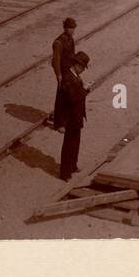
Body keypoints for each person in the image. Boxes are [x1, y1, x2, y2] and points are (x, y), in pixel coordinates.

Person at [58, 51, 90, 181]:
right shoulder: (67, 78)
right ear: (76, 64)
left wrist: (84, 88)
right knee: (68, 144)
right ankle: (65, 173)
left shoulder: (75, 76)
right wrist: (85, 90)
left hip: (76, 116)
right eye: (82, 67)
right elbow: (72, 97)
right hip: (70, 117)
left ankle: (72, 165)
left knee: (75, 142)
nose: (83, 70)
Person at [50, 17, 76, 130]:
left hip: (69, 70)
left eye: (73, 28)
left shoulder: (70, 39)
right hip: (63, 72)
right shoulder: (59, 42)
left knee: (68, 95)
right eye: (70, 28)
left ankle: (64, 118)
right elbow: (56, 60)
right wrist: (58, 74)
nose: (72, 30)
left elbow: (72, 54)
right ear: (65, 28)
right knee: (61, 97)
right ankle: (59, 123)